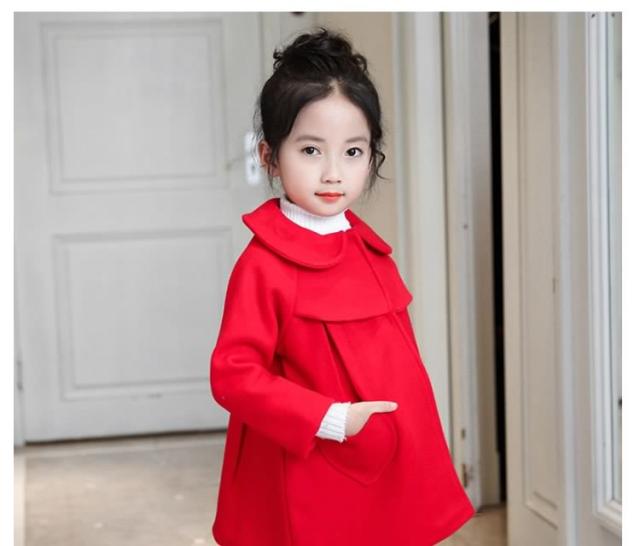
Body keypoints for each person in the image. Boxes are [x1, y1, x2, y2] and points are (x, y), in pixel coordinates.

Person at [209, 26, 476, 546]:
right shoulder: (265, 264)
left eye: (353, 152)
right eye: (311, 150)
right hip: (310, 462)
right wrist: (330, 418)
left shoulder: (370, 250)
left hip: (388, 454)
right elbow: (233, 375)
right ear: (269, 156)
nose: (333, 173)